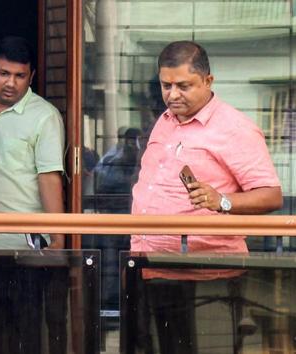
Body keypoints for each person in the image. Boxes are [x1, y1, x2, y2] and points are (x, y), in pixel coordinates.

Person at [129, 40, 282, 353]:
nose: (172, 95)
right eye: (166, 85)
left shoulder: (235, 128)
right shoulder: (165, 121)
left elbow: (271, 195)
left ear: (208, 81)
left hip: (206, 273)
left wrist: (223, 201)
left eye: (184, 86)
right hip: (149, 264)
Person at [0, 36, 66, 354]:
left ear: (32, 77)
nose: (11, 83)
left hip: (23, 241)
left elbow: (49, 177)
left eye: (20, 76)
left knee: (25, 329)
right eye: (3, 73)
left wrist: (57, 239)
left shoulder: (44, 115)